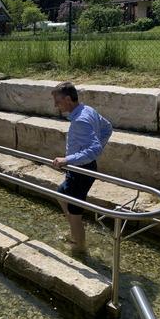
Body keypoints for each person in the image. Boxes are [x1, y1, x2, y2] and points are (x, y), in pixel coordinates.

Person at [50, 81, 113, 255]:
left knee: (75, 212)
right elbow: (108, 128)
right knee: (61, 194)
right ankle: (75, 233)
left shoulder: (80, 120)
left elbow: (94, 150)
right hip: (81, 168)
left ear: (68, 99)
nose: (56, 105)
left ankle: (80, 248)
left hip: (81, 171)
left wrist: (67, 159)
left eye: (58, 101)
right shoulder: (88, 110)